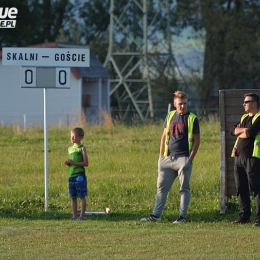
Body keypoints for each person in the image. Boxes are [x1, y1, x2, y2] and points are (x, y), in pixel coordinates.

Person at [140, 90, 200, 223]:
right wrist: (161, 156)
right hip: (167, 159)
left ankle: (182, 217)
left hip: (183, 159)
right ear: (174, 104)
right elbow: (163, 136)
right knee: (161, 188)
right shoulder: (170, 116)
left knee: (184, 189)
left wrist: (189, 160)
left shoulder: (192, 118)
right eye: (180, 104)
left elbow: (197, 141)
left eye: (184, 103)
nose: (183, 106)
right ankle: (156, 215)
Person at [230, 93, 260, 226]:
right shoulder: (244, 117)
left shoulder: (259, 117)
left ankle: (259, 218)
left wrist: (241, 131)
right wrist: (242, 130)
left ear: (255, 103)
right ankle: (244, 216)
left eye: (246, 102)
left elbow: (250, 133)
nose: (244, 104)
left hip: (252, 158)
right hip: (239, 158)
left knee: (256, 188)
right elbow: (232, 130)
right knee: (241, 188)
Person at [64, 127, 89, 220]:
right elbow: (72, 162)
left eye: (74, 136)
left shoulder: (82, 148)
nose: (72, 138)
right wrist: (68, 163)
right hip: (71, 175)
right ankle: (74, 216)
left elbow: (86, 163)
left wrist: (73, 163)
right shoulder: (70, 149)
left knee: (81, 195)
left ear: (80, 137)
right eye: (71, 136)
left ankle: (82, 216)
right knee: (73, 196)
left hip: (80, 176)